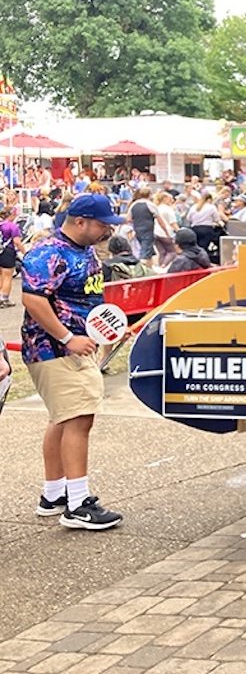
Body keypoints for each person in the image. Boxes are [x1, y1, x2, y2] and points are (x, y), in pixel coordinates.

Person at [22, 194, 128, 530]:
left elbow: (87, 298)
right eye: (101, 224)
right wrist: (68, 338)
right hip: (56, 348)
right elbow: (32, 299)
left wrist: (109, 328)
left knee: (64, 418)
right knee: (79, 418)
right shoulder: (50, 251)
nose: (105, 231)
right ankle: (78, 503)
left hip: (72, 345)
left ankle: (55, 494)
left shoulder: (82, 250)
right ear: (79, 220)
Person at [185, 192, 225, 260]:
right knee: (204, 248)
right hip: (207, 229)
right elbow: (217, 219)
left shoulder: (194, 206)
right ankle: (202, 261)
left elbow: (188, 218)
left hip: (195, 229)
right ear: (209, 199)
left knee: (196, 247)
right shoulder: (211, 207)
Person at [0, 205, 26, 308]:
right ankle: (4, 298)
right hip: (8, 251)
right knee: (7, 276)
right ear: (13, 214)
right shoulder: (12, 226)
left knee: (1, 275)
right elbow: (17, 242)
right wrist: (24, 252)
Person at [126, 186, 157, 268]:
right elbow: (159, 219)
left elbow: (128, 219)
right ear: (149, 195)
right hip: (148, 230)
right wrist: (166, 231)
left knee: (148, 251)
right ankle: (140, 269)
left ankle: (150, 269)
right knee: (145, 253)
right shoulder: (150, 204)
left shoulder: (133, 205)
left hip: (137, 229)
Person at [152, 190, 180, 268]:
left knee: (162, 252)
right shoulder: (168, 209)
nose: (171, 201)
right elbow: (173, 223)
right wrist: (179, 231)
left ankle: (161, 265)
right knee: (172, 252)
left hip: (155, 232)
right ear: (164, 199)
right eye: (169, 199)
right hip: (166, 233)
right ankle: (164, 265)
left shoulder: (156, 208)